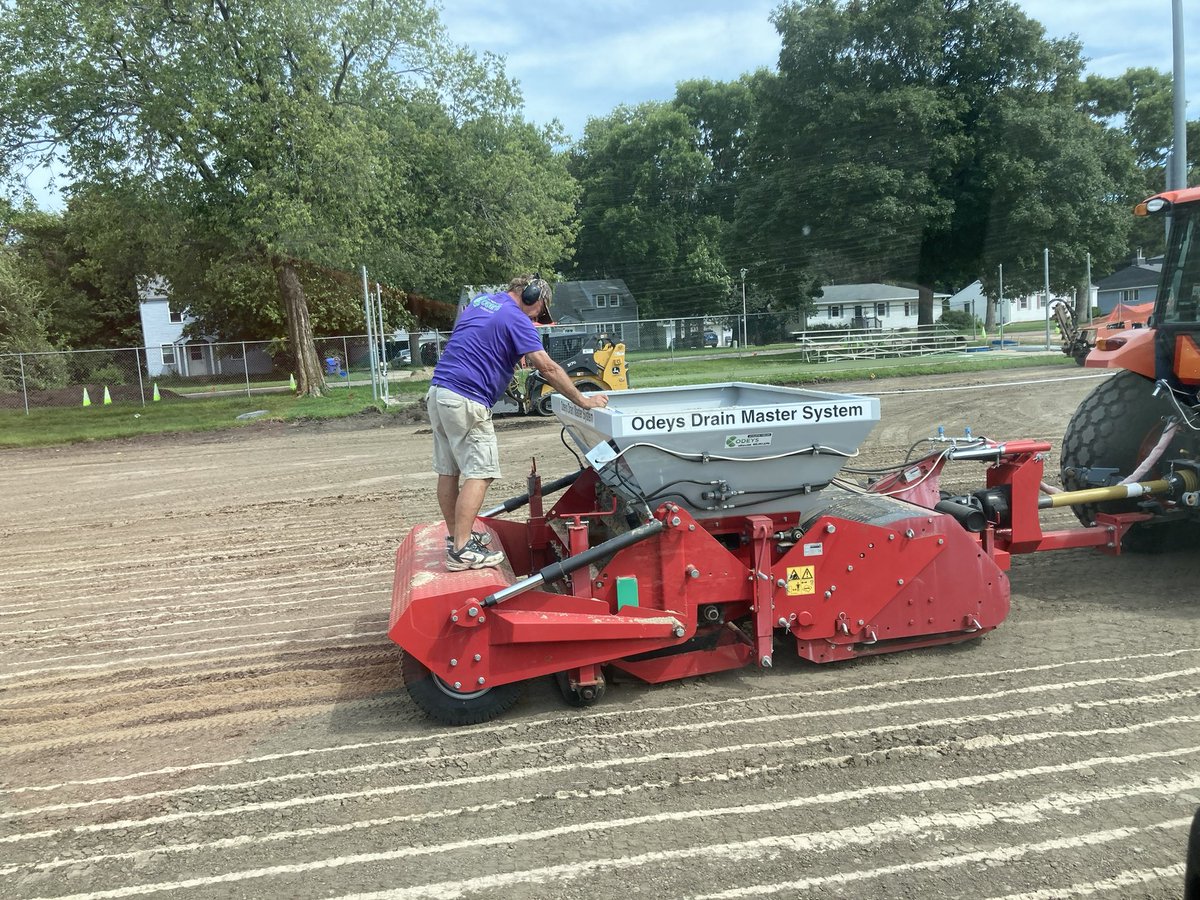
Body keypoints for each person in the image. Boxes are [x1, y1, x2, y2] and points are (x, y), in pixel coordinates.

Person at [427, 274, 609, 571]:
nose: (536, 319)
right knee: (481, 472)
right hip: (467, 398)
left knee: (449, 471)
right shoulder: (517, 318)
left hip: (440, 392)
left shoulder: (482, 302)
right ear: (532, 295)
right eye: (539, 311)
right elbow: (548, 367)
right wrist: (583, 400)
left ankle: (456, 537)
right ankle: (461, 549)